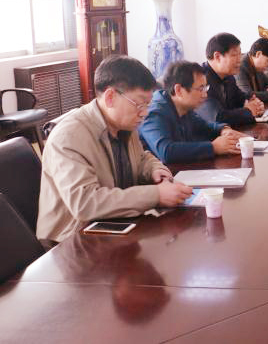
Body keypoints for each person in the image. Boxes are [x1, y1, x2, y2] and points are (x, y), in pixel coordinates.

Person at [37, 55, 193, 243]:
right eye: (139, 104)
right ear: (110, 97)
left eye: (148, 105)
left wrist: (155, 170)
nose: (144, 113)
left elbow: (141, 157)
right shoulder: (68, 137)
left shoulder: (124, 123)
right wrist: (156, 195)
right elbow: (85, 203)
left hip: (114, 226)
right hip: (72, 241)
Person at [139, 61, 245, 164]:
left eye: (206, 88)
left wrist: (223, 130)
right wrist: (213, 147)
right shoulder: (154, 112)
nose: (205, 95)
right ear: (179, 90)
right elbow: (166, 151)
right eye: (200, 89)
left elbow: (204, 126)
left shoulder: (184, 107)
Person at [197, 32, 265, 126]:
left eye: (240, 54)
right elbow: (217, 118)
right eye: (234, 55)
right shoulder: (201, 80)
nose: (239, 60)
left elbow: (239, 99)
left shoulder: (228, 76)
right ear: (217, 57)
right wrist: (249, 111)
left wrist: (255, 104)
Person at [236, 37, 268, 103]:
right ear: (258, 54)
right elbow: (247, 95)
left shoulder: (256, 66)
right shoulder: (239, 66)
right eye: (267, 61)